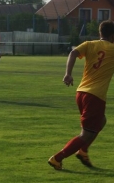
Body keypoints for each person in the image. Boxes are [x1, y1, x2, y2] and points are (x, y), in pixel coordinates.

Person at [48, 20, 114, 170]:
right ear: (112, 36)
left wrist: (68, 74)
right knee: (86, 134)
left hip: (81, 92)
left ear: (100, 33)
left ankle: (83, 151)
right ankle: (57, 158)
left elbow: (73, 53)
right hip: (95, 96)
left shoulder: (89, 44)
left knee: (101, 121)